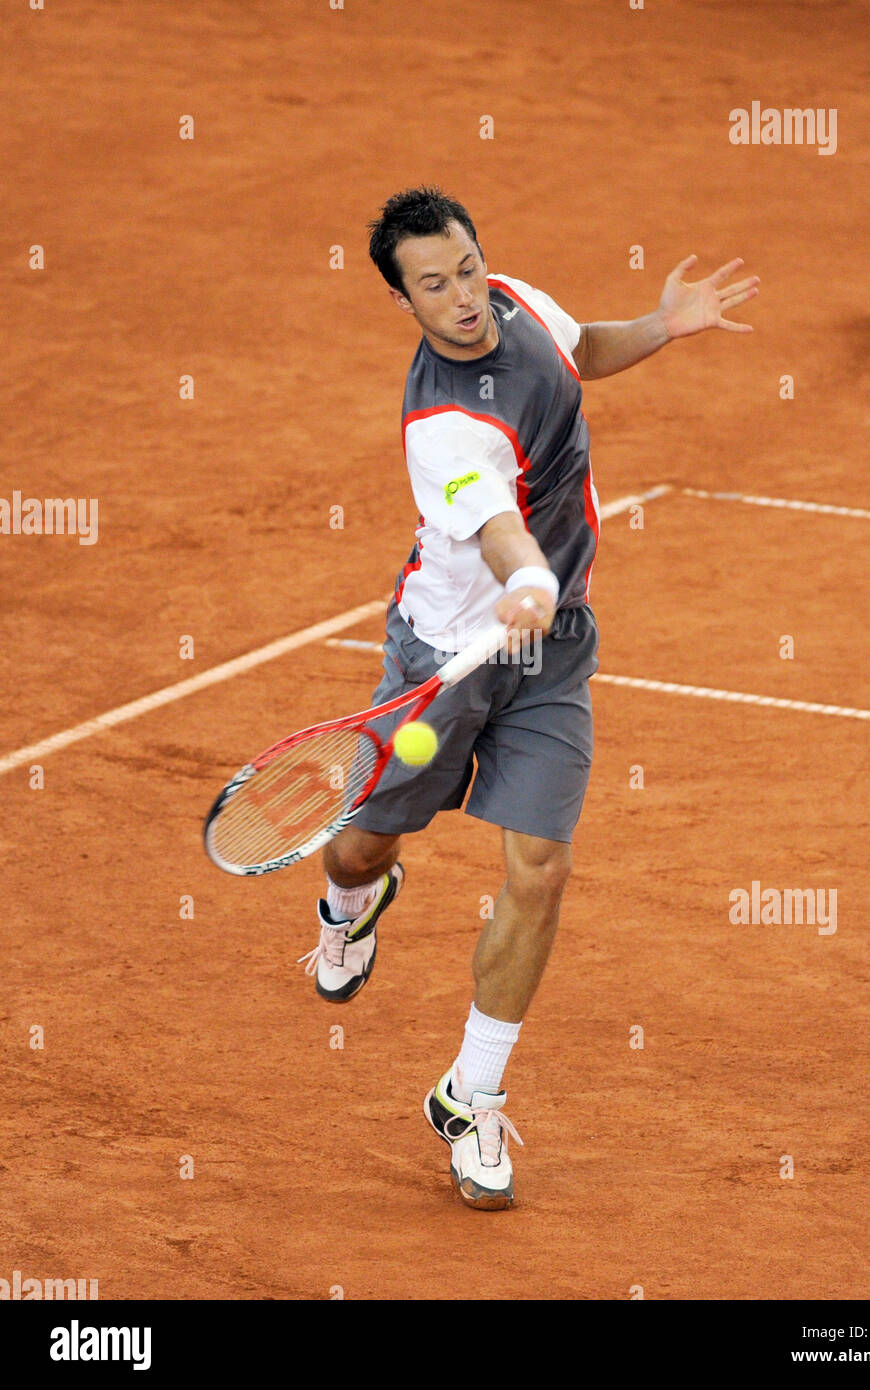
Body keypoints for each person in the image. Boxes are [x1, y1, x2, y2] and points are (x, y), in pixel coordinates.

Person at [298, 187, 759, 1209]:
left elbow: (580, 347)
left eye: (465, 267)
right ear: (401, 300)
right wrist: (529, 578)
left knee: (540, 868)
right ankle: (351, 902)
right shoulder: (442, 427)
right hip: (445, 661)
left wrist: (663, 327)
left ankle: (473, 1091)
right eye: (434, 284)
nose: (462, 295)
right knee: (359, 844)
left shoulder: (509, 299)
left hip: (549, 651)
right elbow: (500, 530)